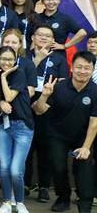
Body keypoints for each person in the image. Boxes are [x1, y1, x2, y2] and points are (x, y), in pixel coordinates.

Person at [34, 52, 97, 213]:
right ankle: (63, 198)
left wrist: (86, 147)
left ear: (92, 70)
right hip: (57, 135)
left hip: (83, 137)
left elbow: (94, 123)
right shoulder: (59, 87)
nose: (82, 71)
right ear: (72, 67)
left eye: (87, 68)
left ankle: (85, 206)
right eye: (79, 67)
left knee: (84, 169)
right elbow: (39, 110)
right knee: (57, 166)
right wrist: (44, 95)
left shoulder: (95, 91)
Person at [28, 24, 69, 203]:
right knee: (26, 147)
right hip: (25, 104)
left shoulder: (59, 59)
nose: (44, 38)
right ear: (32, 37)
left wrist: (46, 98)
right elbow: (21, 75)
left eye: (48, 36)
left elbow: (63, 83)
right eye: (40, 35)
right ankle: (24, 184)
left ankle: (44, 186)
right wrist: (38, 59)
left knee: (45, 148)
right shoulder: (25, 55)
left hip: (48, 106)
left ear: (53, 40)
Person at [0, 45, 34, 213]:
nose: (6, 62)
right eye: (3, 59)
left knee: (16, 170)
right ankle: (6, 202)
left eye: (10, 59)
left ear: (16, 59)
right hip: (5, 125)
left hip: (23, 127)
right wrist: (0, 103)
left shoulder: (18, 74)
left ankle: (19, 202)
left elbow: (10, 96)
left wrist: (3, 77)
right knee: (4, 167)